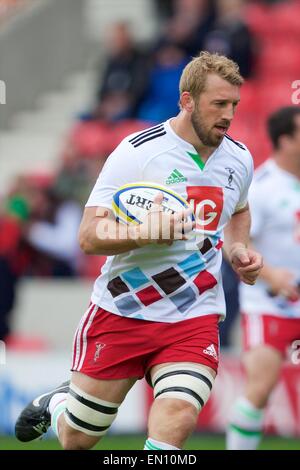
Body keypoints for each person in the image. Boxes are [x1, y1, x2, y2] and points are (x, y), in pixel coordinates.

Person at [15, 52, 263, 451]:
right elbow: (89, 236)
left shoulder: (239, 158)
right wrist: (145, 232)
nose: (228, 115)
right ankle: (59, 403)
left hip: (193, 314)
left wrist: (237, 248)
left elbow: (240, 209)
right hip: (123, 310)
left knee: (178, 415)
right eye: (218, 104)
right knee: (78, 439)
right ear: (187, 101)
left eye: (233, 104)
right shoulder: (137, 153)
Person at [226, 106, 300, 450]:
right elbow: (237, 239)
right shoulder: (262, 186)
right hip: (269, 304)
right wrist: (269, 274)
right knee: (260, 387)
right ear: (285, 140)